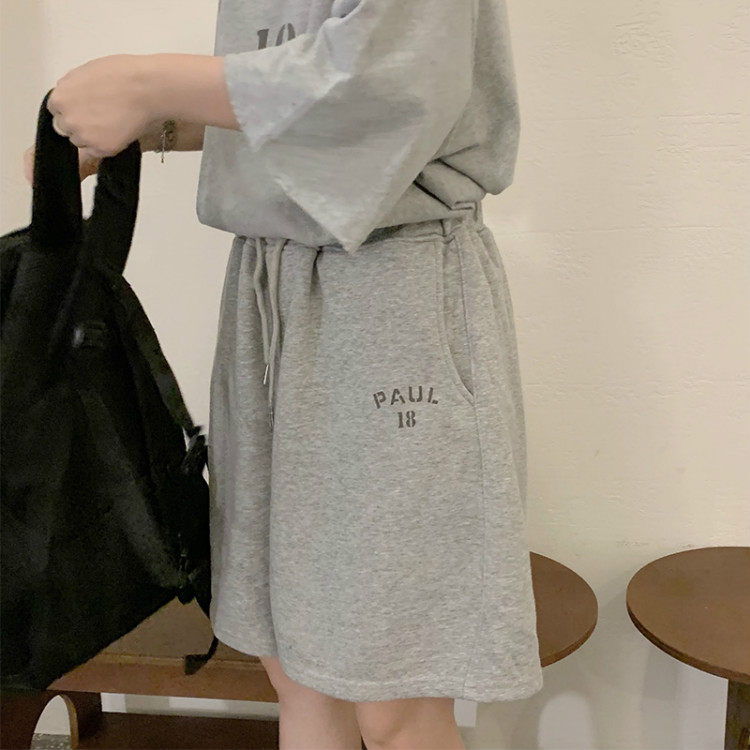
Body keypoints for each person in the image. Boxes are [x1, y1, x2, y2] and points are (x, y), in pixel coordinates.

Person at [25, 1, 543, 747]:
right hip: (268, 285)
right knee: (295, 671)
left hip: (390, 291)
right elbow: (302, 102)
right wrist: (151, 127)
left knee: (392, 690)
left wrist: (151, 83)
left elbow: (389, 78)